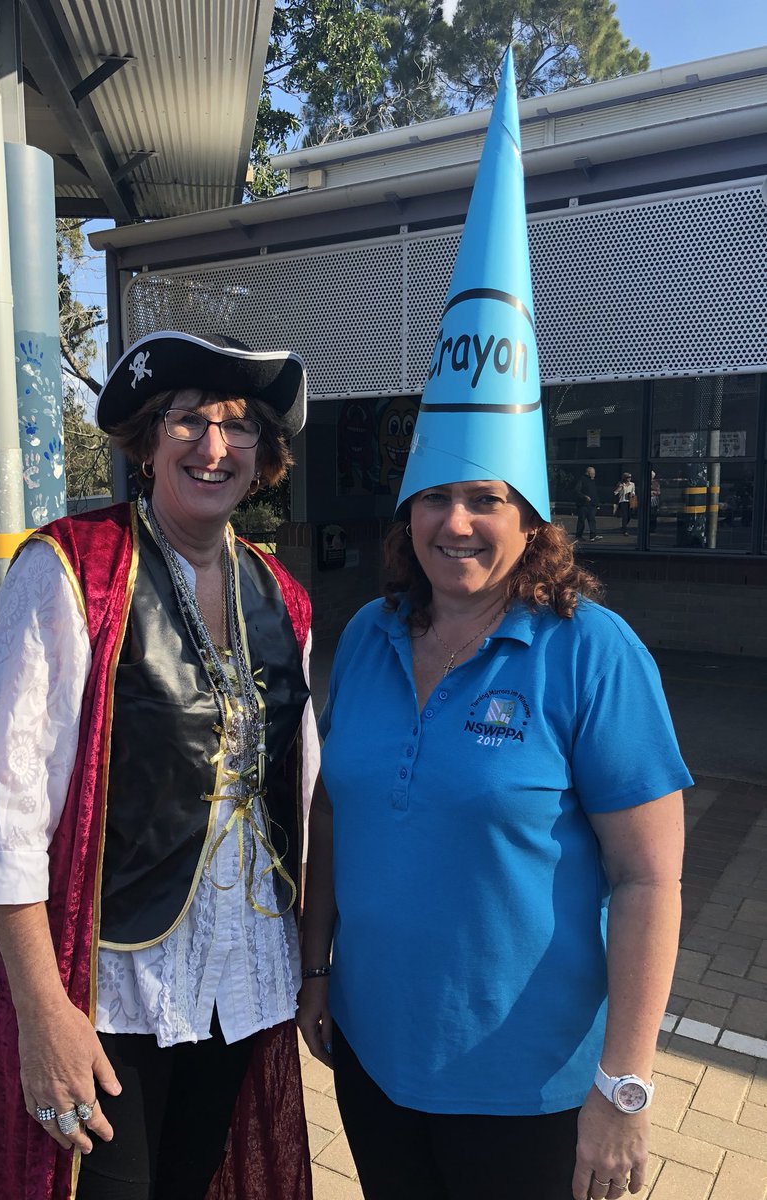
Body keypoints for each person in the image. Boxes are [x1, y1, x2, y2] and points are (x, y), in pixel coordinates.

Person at [297, 49, 690, 1200]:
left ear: (531, 519)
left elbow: (652, 883)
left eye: (486, 501)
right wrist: (317, 970)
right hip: (374, 1059)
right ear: (406, 507)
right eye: (436, 498)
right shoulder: (367, 633)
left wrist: (624, 1087)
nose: (456, 523)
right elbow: (334, 810)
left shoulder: (591, 654)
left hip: (531, 1094)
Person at [0, 330, 315, 1200]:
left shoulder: (282, 594)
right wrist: (45, 1014)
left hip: (243, 979)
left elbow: (306, 793)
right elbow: (5, 815)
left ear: (266, 454)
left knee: (195, 1183)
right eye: (187, 420)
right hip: (112, 980)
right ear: (148, 440)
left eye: (240, 427)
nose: (214, 446)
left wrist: (320, 968)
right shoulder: (72, 568)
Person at [574, 466, 602, 541]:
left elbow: (595, 493)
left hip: (592, 504)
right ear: (588, 473)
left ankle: (593, 535)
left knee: (592, 519)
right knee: (581, 520)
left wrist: (597, 504)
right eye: (592, 473)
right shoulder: (582, 480)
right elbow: (577, 491)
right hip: (583, 505)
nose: (594, 475)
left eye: (594, 473)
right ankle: (578, 536)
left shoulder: (593, 481)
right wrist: (584, 496)